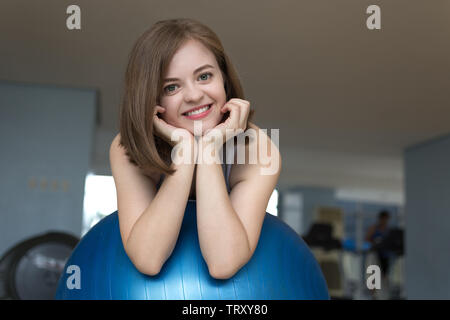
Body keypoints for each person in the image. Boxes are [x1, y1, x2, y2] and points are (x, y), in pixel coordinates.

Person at [109, 18, 281, 280]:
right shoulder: (126, 148)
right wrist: (186, 152)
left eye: (204, 76)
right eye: (171, 87)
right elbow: (148, 259)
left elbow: (223, 263)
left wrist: (209, 150)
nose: (193, 95)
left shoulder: (259, 150)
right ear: (151, 98)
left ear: (223, 77)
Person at [365, 210, 391, 278]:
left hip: (385, 255)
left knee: (384, 274)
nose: (385, 221)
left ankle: (383, 286)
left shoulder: (388, 230)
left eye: (386, 219)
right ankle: (373, 287)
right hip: (375, 253)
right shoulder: (374, 228)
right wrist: (375, 242)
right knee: (373, 275)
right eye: (383, 219)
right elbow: (367, 239)